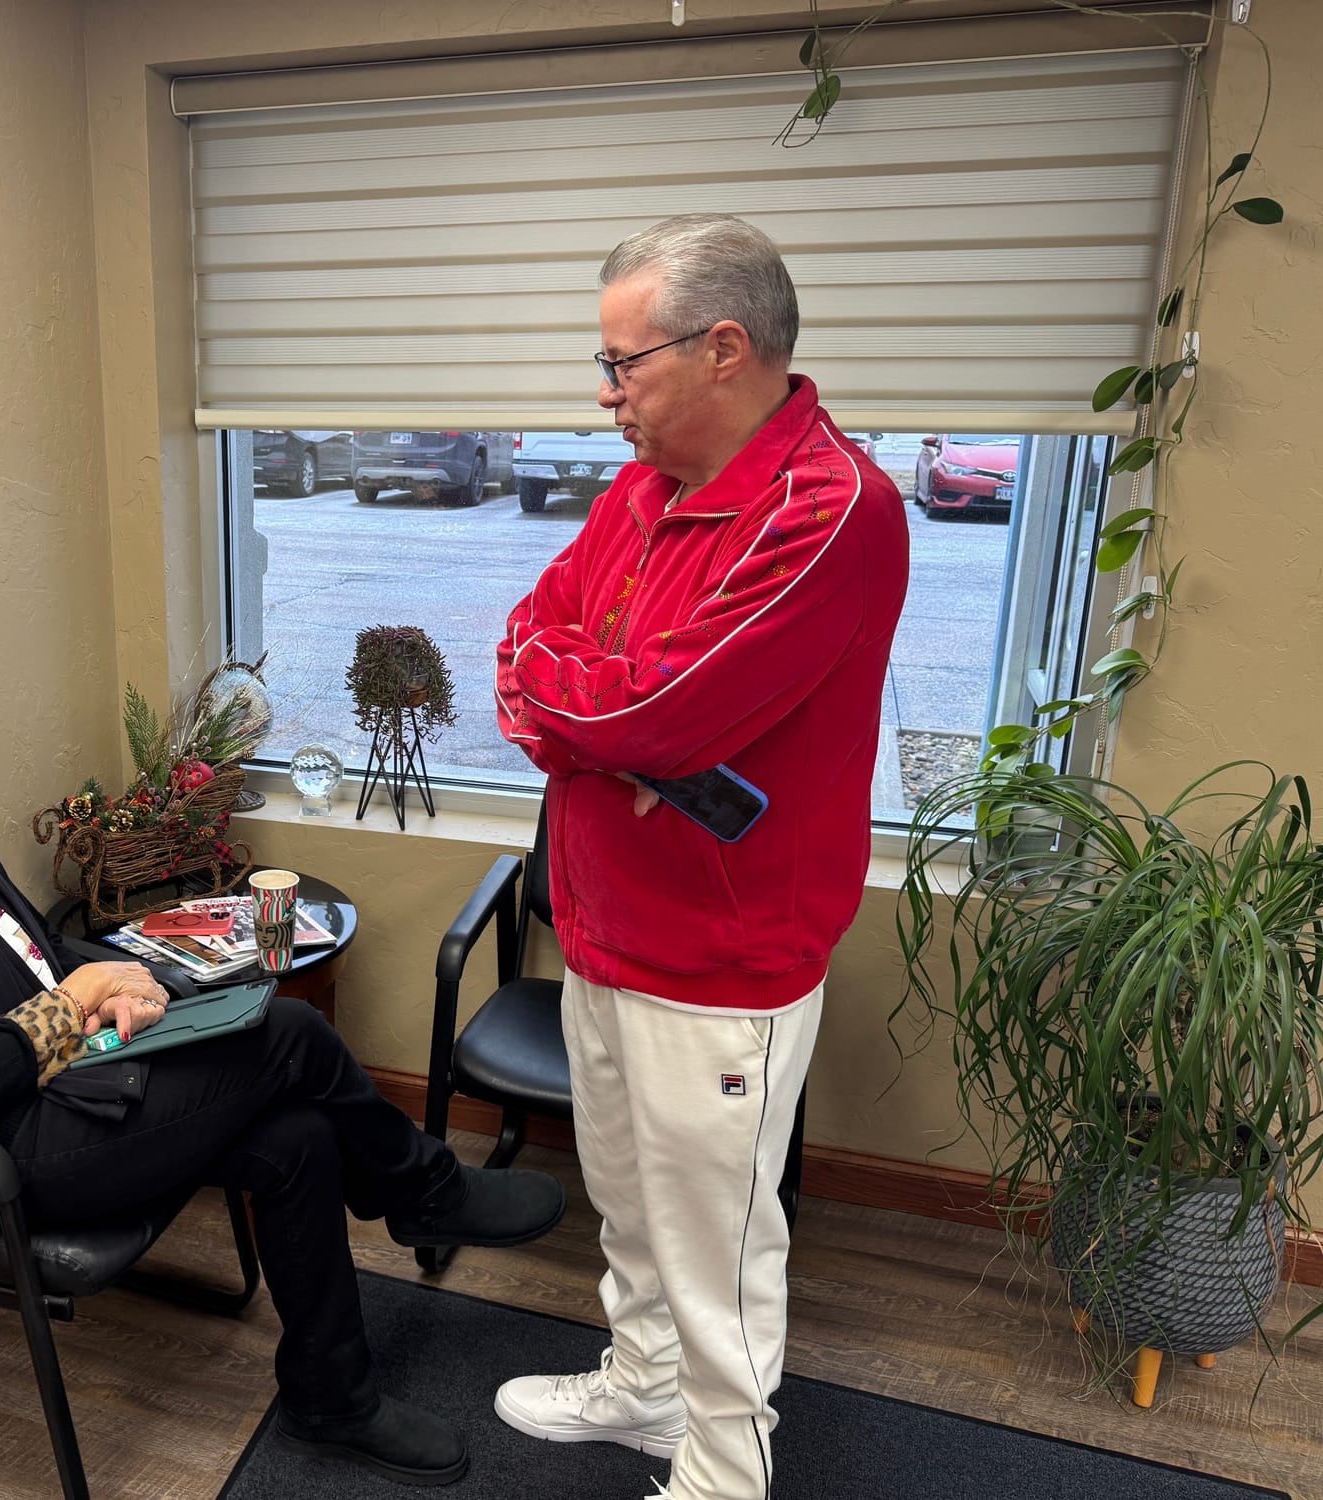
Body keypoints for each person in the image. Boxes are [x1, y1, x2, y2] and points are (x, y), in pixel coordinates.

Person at [0, 615, 566, 1486]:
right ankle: (424, 1193)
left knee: (297, 1138)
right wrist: (79, 999)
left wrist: (116, 974)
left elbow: (27, 949)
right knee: (289, 1030)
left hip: (61, 1086)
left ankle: (333, 1397)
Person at [490, 216, 909, 1499]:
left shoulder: (833, 511)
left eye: (622, 363)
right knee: (624, 1202)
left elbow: (649, 718)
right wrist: (593, 714)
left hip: (722, 957)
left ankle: (724, 1471)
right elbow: (524, 641)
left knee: (717, 1246)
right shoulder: (644, 485)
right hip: (607, 920)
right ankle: (640, 1389)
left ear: (722, 348)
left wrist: (597, 715)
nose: (603, 392)